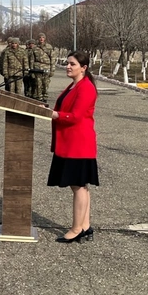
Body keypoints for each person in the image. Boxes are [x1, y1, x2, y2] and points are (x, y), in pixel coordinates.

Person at [47, 51, 99, 244]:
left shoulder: (86, 88)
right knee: (80, 186)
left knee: (78, 186)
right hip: (70, 142)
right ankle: (85, 226)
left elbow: (75, 116)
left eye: (72, 64)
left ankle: (77, 229)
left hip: (79, 145)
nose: (68, 66)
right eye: (67, 63)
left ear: (83, 68)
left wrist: (54, 115)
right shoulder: (74, 85)